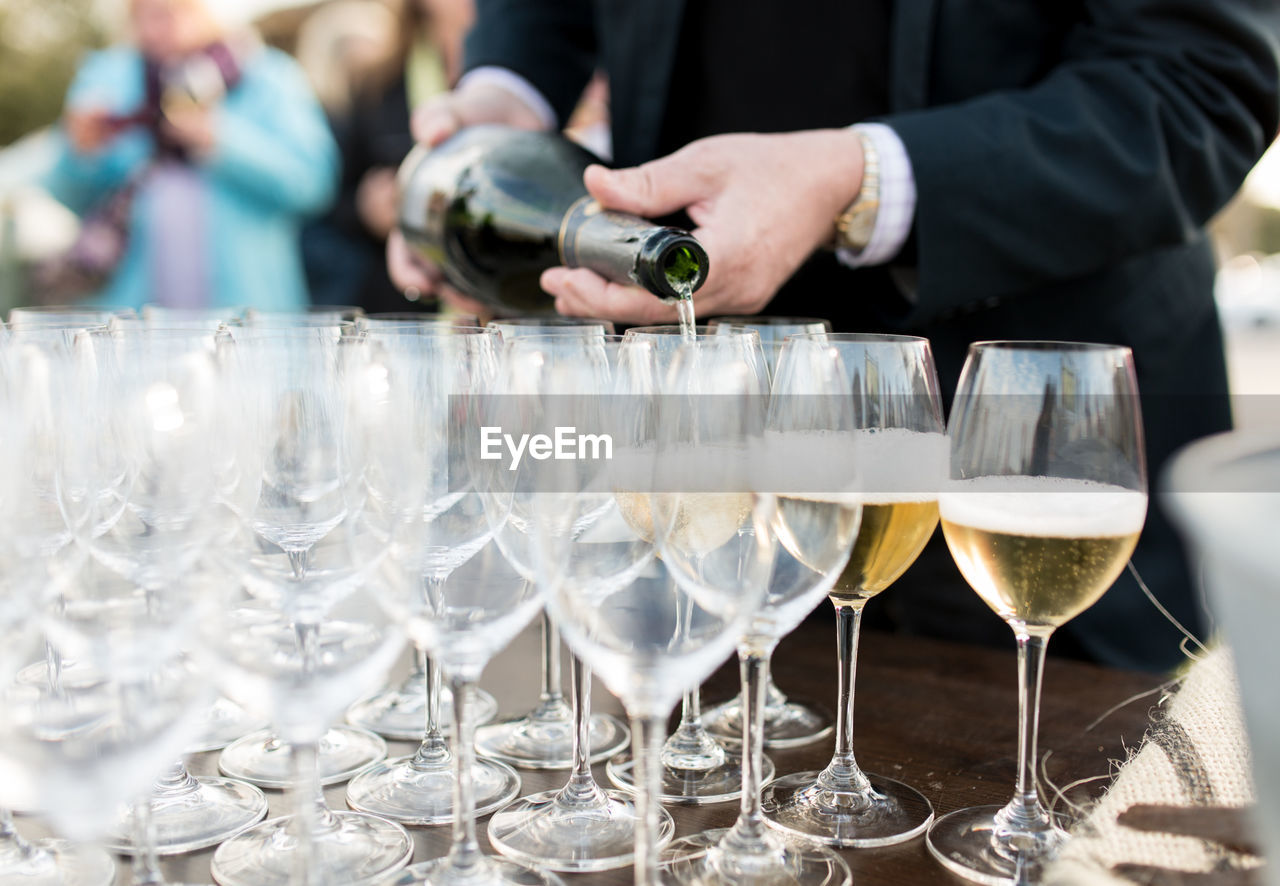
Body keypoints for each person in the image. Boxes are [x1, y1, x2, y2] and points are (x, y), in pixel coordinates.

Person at [388, 0, 1280, 671]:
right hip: (700, 452)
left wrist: (855, 181)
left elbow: (1202, 81)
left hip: (1031, 454)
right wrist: (506, 90)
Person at [43, 0, 337, 311]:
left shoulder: (268, 77)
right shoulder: (109, 80)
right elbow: (70, 197)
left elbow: (314, 184)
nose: (160, 27)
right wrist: (81, 152)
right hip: (132, 314)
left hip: (249, 313)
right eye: (146, 15)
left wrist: (222, 140)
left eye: (173, 11)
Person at [312, 0, 473, 313]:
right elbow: (329, 200)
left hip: (505, 296)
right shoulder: (378, 83)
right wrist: (365, 207)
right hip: (405, 306)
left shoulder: (537, 74)